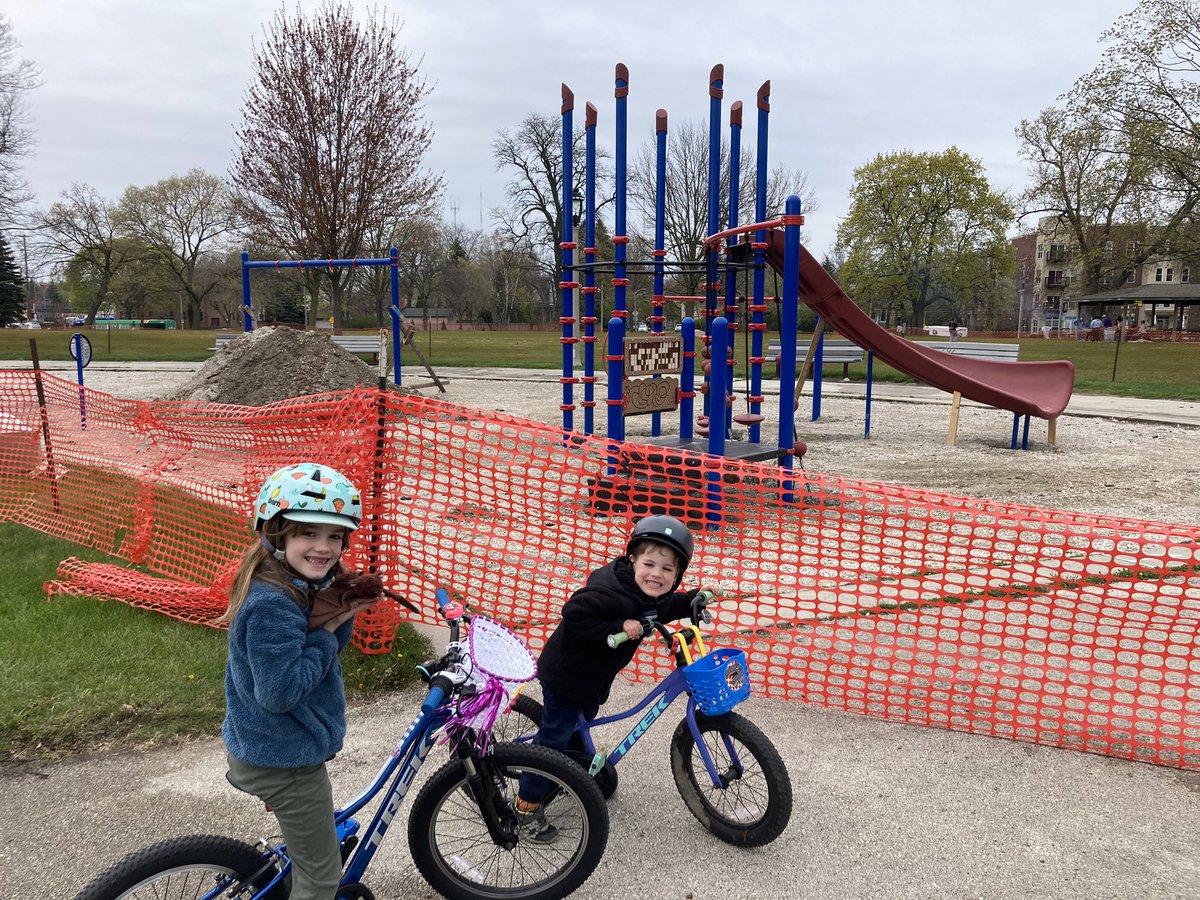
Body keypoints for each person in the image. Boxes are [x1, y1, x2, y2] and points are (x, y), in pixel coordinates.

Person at [218, 462, 379, 900]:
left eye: (335, 536)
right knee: (322, 879)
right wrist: (329, 630)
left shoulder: (290, 582)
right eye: (308, 533)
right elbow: (280, 691)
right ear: (278, 534)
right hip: (283, 759)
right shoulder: (274, 604)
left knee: (314, 848)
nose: (324, 547)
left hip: (271, 744)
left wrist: (336, 605)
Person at [515, 514, 705, 840]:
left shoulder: (650, 593)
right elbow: (574, 612)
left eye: (667, 569)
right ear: (632, 559)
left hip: (591, 679)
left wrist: (692, 601)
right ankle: (526, 807)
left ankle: (570, 771)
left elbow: (664, 605)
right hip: (566, 675)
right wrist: (616, 627)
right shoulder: (611, 592)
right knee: (554, 738)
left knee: (579, 723)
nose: (656, 575)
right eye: (649, 564)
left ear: (677, 574)